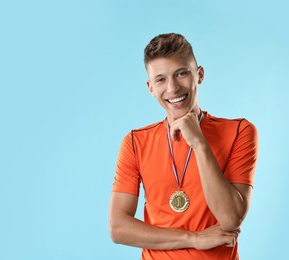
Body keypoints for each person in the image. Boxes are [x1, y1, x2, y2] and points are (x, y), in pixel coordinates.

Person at [109, 33, 258, 260]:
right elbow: (118, 228)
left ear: (199, 75)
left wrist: (198, 142)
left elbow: (230, 219)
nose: (173, 88)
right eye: (160, 79)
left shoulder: (240, 131)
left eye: (181, 73)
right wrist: (193, 238)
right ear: (150, 87)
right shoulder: (134, 142)